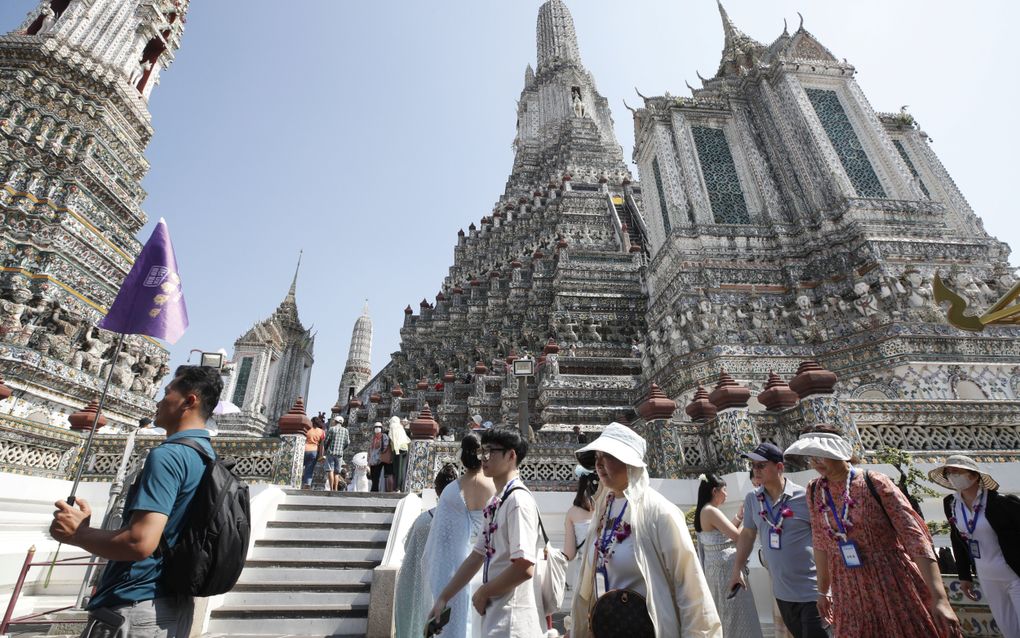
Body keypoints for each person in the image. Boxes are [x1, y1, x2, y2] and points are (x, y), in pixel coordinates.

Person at [49, 366, 223, 638]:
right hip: (172, 607)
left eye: (167, 392)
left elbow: (139, 542)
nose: (158, 400)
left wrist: (78, 534)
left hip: (137, 606)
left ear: (189, 401)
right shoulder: (207, 457)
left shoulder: (169, 456)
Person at [784, 428, 962, 638]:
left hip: (890, 579)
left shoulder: (875, 482)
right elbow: (821, 543)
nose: (816, 463)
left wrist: (939, 597)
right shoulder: (815, 491)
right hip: (847, 585)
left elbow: (915, 537)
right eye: (811, 457)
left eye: (821, 456)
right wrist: (824, 591)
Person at [570, 422, 721, 637]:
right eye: (597, 457)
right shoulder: (604, 509)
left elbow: (689, 587)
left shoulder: (659, 513)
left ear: (629, 463)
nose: (599, 464)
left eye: (609, 457)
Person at [430, 426, 544, 637]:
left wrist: (484, 592)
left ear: (511, 455)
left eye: (491, 451)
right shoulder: (496, 500)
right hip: (495, 615)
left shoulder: (518, 501)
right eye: (482, 451)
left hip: (513, 620)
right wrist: (444, 598)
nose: (484, 457)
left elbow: (524, 567)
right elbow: (477, 555)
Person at [728, 442, 825, 638]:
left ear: (779, 467)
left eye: (761, 465)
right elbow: (747, 534)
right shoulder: (752, 499)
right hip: (782, 593)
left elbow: (824, 539)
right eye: (753, 466)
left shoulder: (805, 496)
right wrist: (737, 570)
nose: (755, 470)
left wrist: (827, 588)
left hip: (812, 590)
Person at [931, 454, 1020, 637]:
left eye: (957, 471)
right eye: (949, 473)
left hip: (1014, 574)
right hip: (987, 576)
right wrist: (964, 575)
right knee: (1008, 629)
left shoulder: (1002, 503)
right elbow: (958, 539)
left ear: (973, 475)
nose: (953, 476)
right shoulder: (951, 504)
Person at [422, 433, 496, 638]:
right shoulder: (492, 487)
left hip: (450, 566)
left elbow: (442, 536)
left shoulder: (450, 491)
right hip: (481, 562)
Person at [395, 463, 460, 638]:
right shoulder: (462, 522)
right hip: (449, 588)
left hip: (418, 586)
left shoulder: (423, 521)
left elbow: (407, 547)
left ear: (437, 490)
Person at [695, 474, 763, 637]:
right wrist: (750, 518)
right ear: (714, 491)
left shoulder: (706, 510)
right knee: (736, 614)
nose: (726, 494)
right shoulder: (710, 510)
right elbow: (739, 538)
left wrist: (740, 516)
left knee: (728, 614)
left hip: (717, 569)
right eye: (725, 490)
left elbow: (724, 535)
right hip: (725, 571)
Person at [562, 466, 596, 597]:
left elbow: (569, 554)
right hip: (607, 572)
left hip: (583, 574)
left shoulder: (572, 513)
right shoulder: (609, 507)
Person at [323, 416, 350, 491]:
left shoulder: (332, 429)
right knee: (337, 472)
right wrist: (342, 448)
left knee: (330, 470)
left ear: (335, 421)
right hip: (339, 454)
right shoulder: (345, 430)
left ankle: (331, 488)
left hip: (331, 453)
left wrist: (325, 448)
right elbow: (347, 442)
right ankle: (335, 488)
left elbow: (327, 440)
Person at [367, 422, 391, 492]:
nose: (377, 428)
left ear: (381, 428)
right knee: (373, 475)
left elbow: (386, 446)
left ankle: (375, 489)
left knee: (377, 475)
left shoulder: (384, 436)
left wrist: (380, 447)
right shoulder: (373, 437)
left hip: (379, 459)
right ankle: (374, 488)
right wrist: (369, 457)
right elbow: (370, 448)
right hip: (372, 459)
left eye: (379, 427)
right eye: (376, 427)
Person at [301, 418, 324, 490]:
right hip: (314, 451)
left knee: (300, 467)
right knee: (309, 470)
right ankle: (307, 484)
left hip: (304, 450)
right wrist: (321, 455)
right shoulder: (322, 432)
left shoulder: (307, 429)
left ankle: (297, 481)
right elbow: (321, 444)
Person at [389, 416, 411, 491]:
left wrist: (396, 451)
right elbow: (406, 439)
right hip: (405, 449)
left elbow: (394, 439)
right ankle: (401, 487)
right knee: (402, 469)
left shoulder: (393, 426)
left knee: (398, 469)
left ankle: (397, 487)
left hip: (398, 449)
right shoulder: (400, 427)